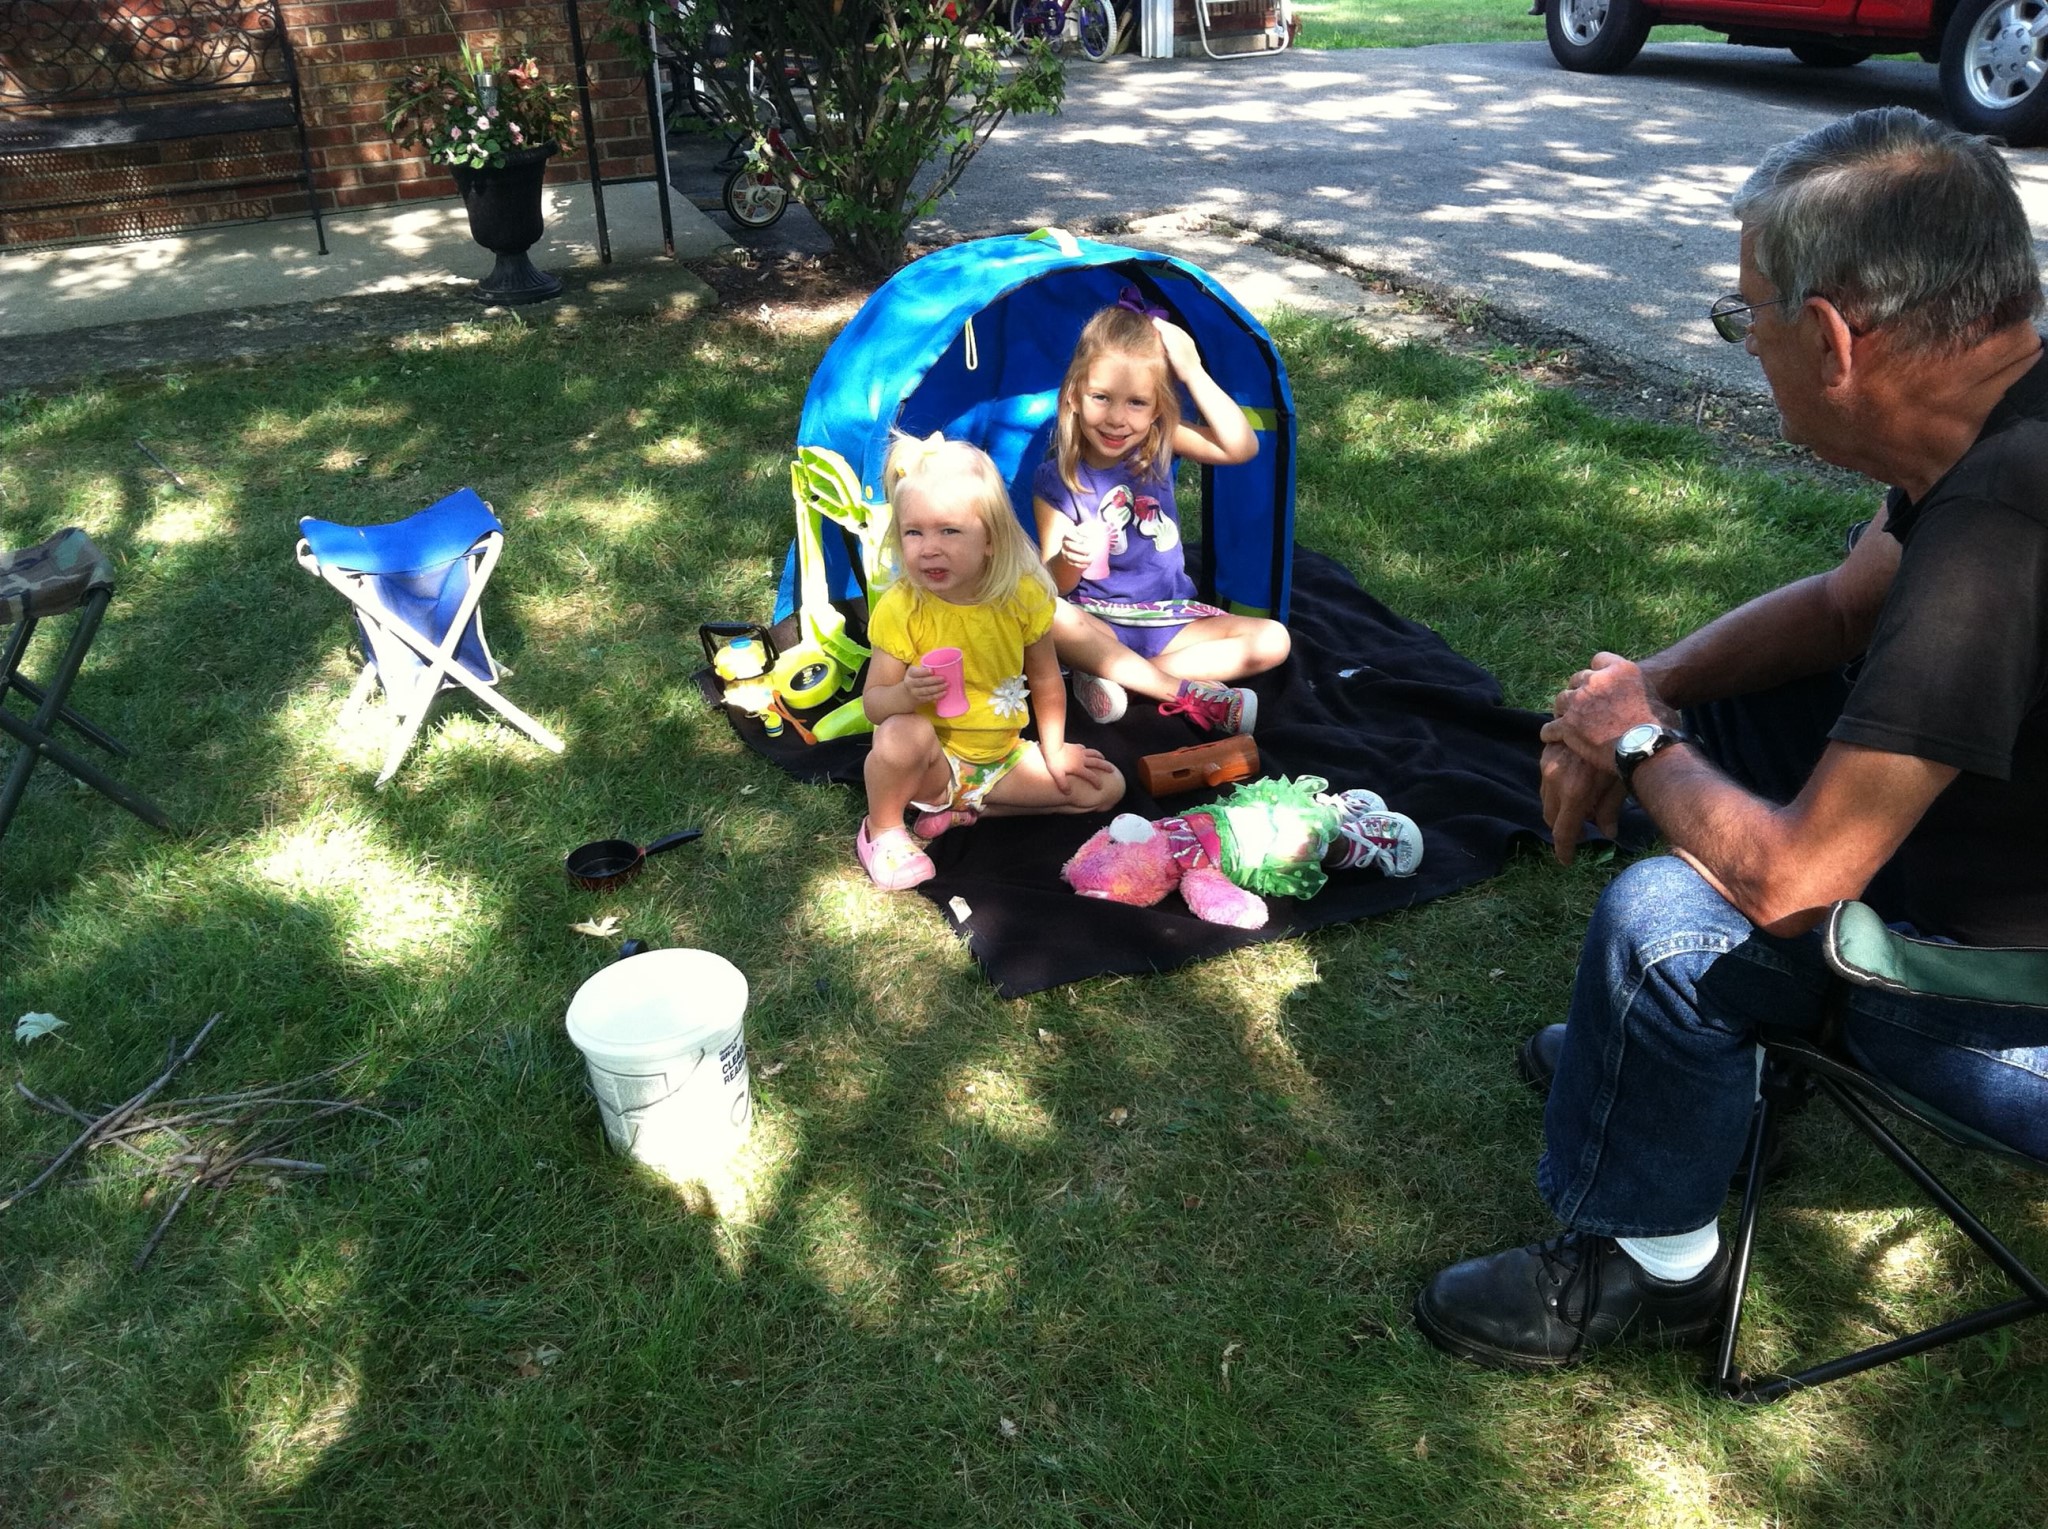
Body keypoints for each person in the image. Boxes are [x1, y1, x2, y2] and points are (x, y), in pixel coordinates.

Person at [1414, 106, 2048, 1370]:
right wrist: (1644, 693)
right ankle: (1682, 1071)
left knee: (1664, 926)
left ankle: (1651, 1261)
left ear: (1828, 336)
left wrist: (1633, 742)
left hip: (2010, 1018)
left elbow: (1792, 880)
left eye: (1740, 315)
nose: (1742, 339)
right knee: (1719, 719)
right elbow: (1842, 606)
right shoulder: (2003, 420)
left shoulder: (1998, 535)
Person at [857, 433, 1124, 892]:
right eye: (913, 532)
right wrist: (904, 694)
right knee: (901, 732)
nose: (929, 548)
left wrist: (1055, 751)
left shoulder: (1021, 595)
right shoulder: (903, 608)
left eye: (949, 531)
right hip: (932, 764)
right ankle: (881, 831)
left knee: (1108, 787)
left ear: (990, 540)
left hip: (1001, 759)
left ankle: (966, 810)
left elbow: (1046, 679)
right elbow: (874, 705)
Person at [1032, 300, 1292, 738]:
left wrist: (1193, 371)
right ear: (1074, 395)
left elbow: (1241, 447)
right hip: (1097, 623)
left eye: (1137, 402)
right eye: (1101, 397)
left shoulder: (1158, 441)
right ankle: (1179, 692)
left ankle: (1123, 679)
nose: (1117, 419)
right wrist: (1070, 559)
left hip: (1169, 620)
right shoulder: (1056, 479)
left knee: (1274, 640)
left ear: (1157, 409)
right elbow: (1051, 586)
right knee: (1046, 613)